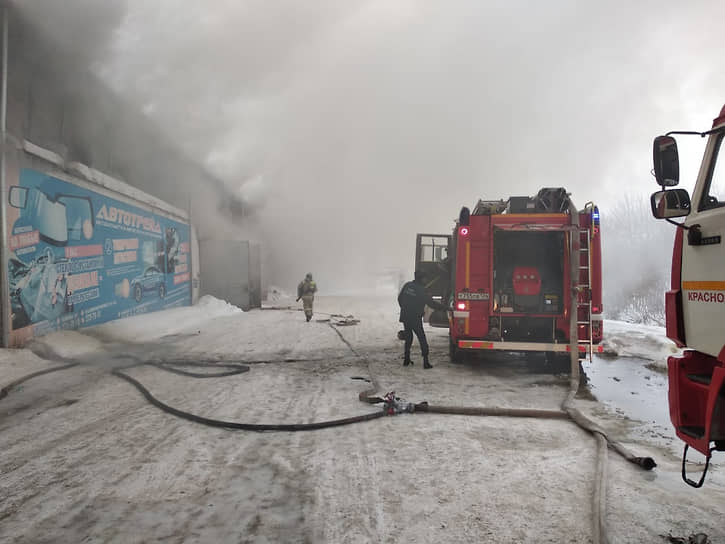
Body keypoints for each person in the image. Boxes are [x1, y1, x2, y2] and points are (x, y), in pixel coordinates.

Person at [398, 270, 447, 369]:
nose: (426, 280)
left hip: (405, 316)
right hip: (415, 318)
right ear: (421, 278)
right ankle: (426, 362)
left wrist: (405, 308)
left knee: (408, 337)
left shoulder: (407, 285)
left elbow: (399, 298)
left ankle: (406, 359)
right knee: (422, 338)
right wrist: (446, 308)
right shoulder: (421, 290)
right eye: (425, 278)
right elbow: (431, 304)